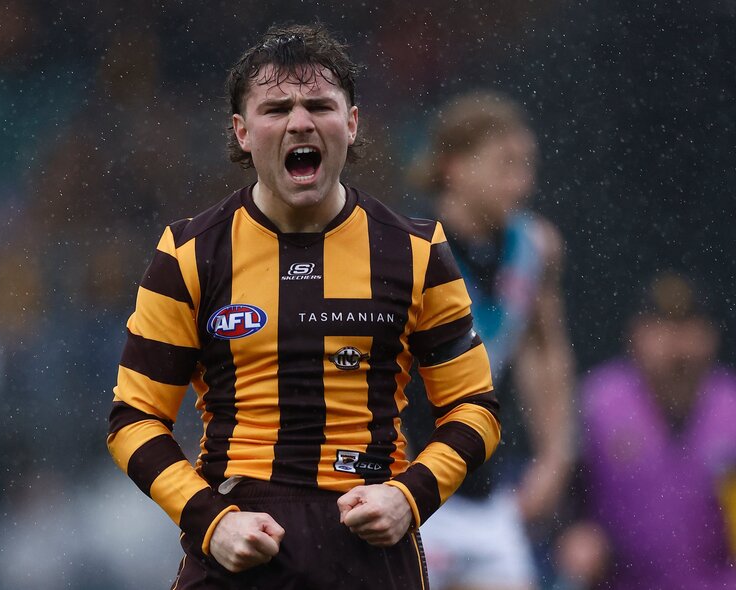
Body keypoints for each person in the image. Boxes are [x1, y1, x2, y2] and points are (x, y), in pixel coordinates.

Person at [105, 23, 501, 589]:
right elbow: (134, 418)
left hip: (370, 539)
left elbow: (475, 408)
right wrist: (208, 521)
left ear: (353, 122)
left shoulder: (416, 252)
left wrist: (407, 497)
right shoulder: (190, 253)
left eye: (319, 104)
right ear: (242, 132)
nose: (299, 121)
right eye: (275, 108)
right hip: (240, 536)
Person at [405, 91, 575, 590]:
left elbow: (546, 355)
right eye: (506, 164)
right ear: (455, 168)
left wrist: (555, 456)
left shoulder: (537, 247)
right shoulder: (405, 246)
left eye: (527, 165)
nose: (523, 182)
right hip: (403, 484)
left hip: (485, 489)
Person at [555, 272, 736, 589]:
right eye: (661, 329)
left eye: (687, 329)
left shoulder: (731, 410)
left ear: (711, 337)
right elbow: (565, 498)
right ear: (635, 337)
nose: (677, 348)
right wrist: (571, 534)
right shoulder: (600, 404)